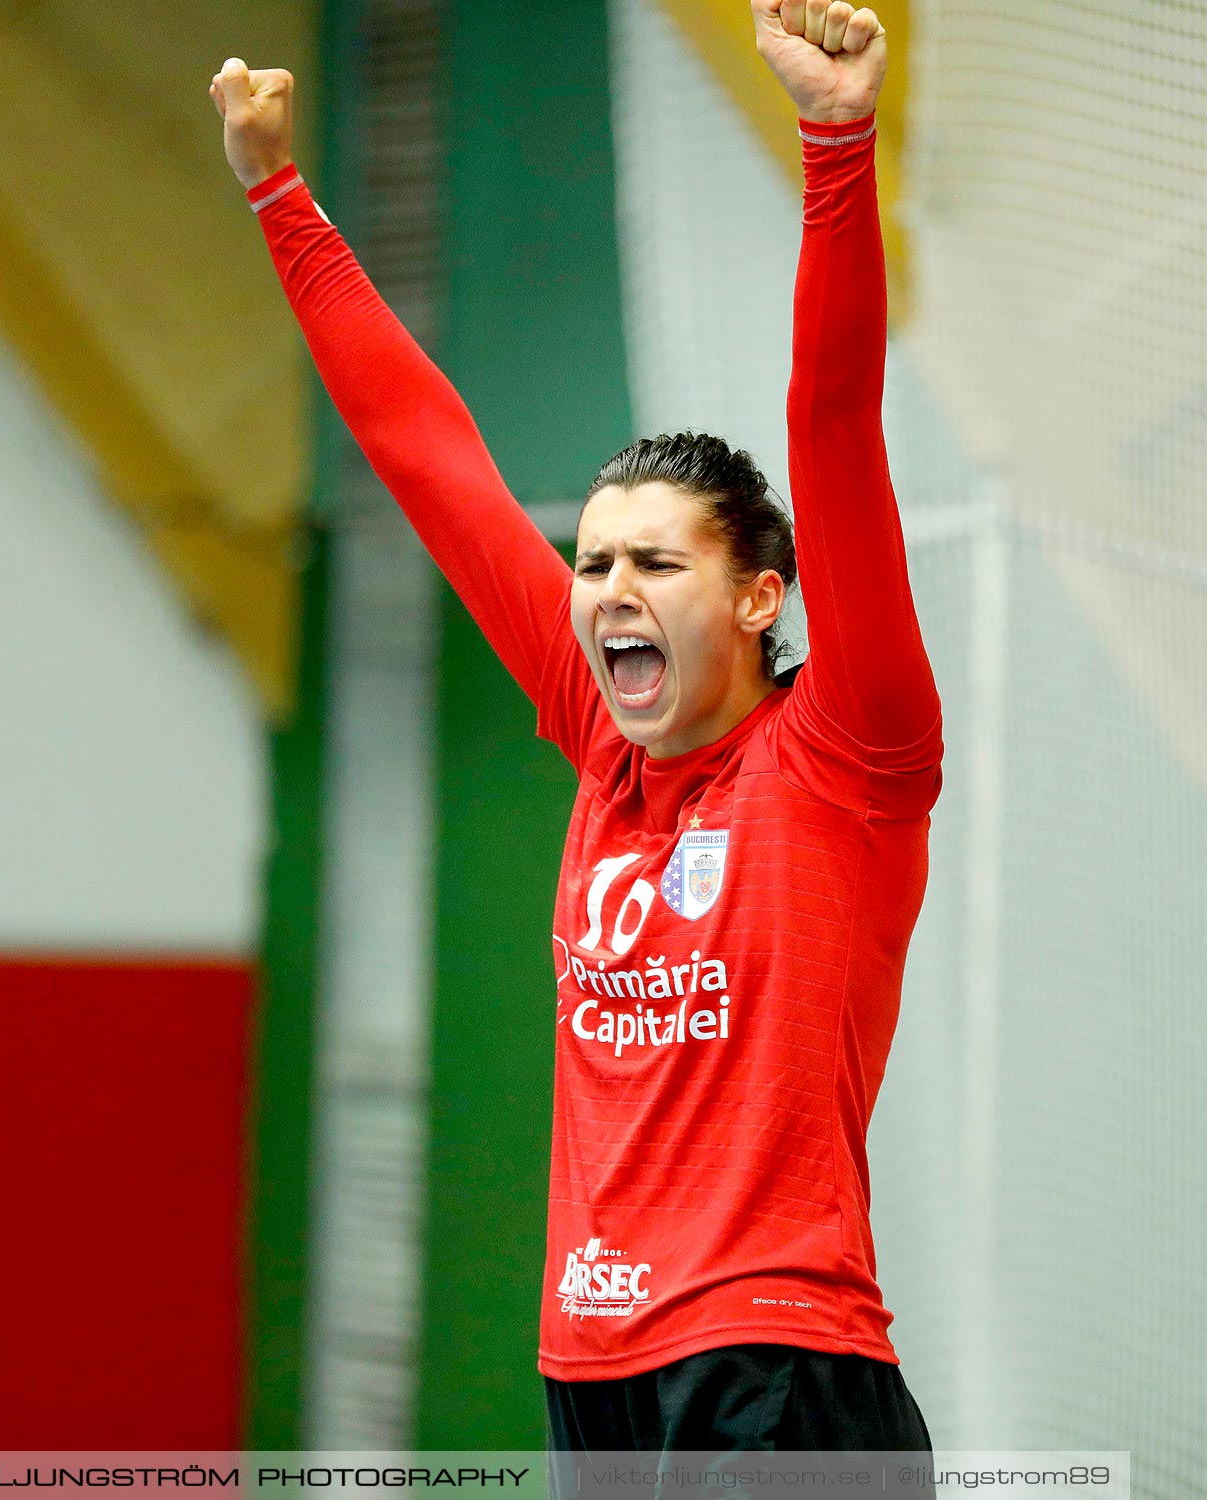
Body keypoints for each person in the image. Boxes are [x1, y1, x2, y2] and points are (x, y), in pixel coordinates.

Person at [213, 0, 941, 1472]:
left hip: (779, 1369)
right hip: (592, 1369)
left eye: (654, 564)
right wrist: (278, 197)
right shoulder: (604, 748)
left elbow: (834, 416)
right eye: (594, 561)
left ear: (757, 599)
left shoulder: (848, 752)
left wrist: (835, 143)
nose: (607, 589)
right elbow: (428, 456)